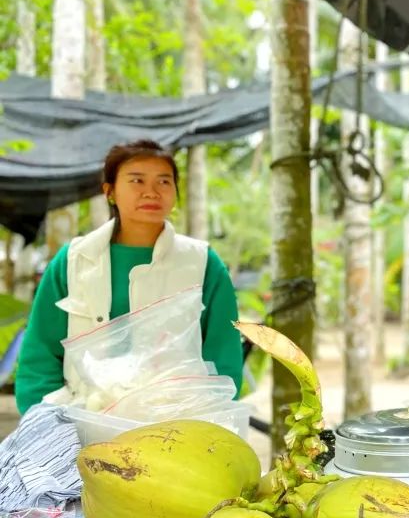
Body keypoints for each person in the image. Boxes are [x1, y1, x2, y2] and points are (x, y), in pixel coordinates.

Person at [15, 139, 243, 413]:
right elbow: (40, 353)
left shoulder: (203, 263)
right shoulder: (74, 260)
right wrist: (45, 422)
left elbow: (224, 355)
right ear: (110, 192)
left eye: (164, 182)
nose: (151, 192)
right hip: (82, 418)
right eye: (137, 181)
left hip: (175, 425)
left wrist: (209, 423)